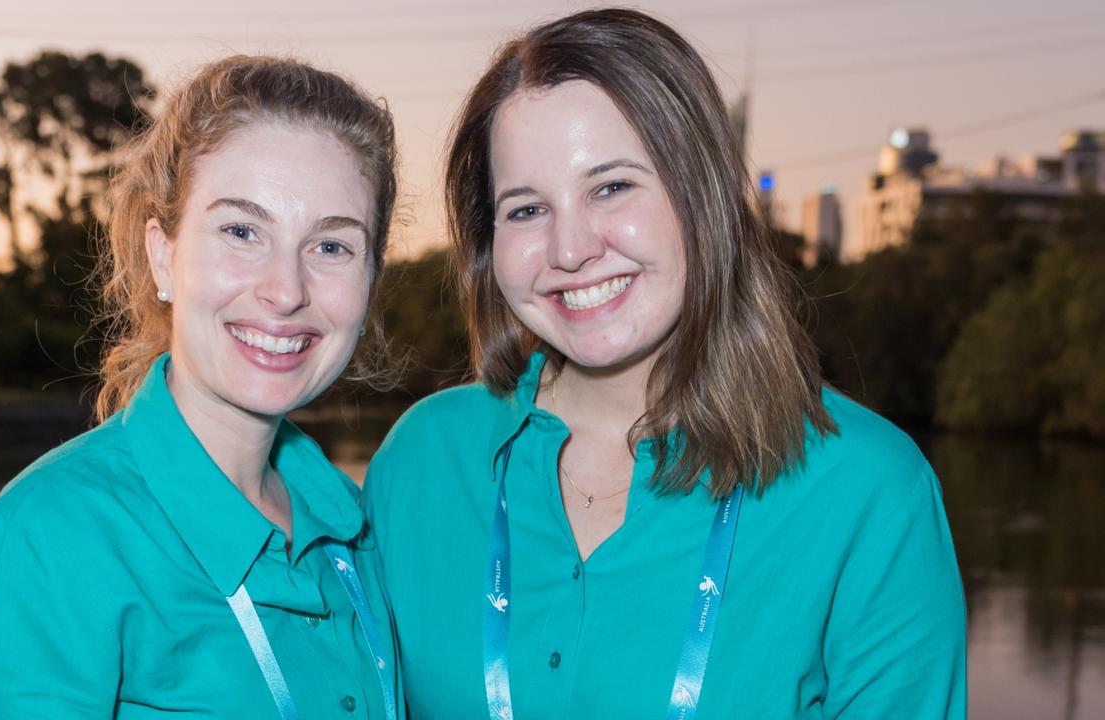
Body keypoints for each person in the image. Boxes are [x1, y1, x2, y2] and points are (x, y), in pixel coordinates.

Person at [362, 8, 966, 719]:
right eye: (525, 210)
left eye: (611, 187)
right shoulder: (423, 460)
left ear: (700, 196)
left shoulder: (868, 492)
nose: (569, 249)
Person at [0, 55, 402, 719]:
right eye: (241, 231)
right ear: (162, 254)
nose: (286, 291)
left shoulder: (357, 530)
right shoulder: (44, 545)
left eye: (331, 247)